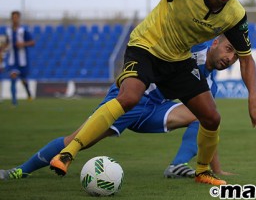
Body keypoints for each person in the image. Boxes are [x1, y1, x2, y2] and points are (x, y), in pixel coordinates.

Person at [49, 0, 256, 186]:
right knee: (129, 97)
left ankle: (202, 171)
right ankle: (69, 151)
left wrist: (253, 98)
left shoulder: (235, 15)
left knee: (211, 117)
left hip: (177, 59)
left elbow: (246, 59)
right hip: (146, 46)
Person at [1, 36, 237, 180]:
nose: (230, 58)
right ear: (215, 42)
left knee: (206, 117)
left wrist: (216, 169)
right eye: (228, 49)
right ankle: (20, 171)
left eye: (236, 56)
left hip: (154, 110)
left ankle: (177, 165)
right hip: (129, 98)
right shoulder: (193, 44)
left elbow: (210, 129)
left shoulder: (210, 86)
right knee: (77, 140)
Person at [3, 11, 35, 106]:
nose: (15, 19)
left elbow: (32, 42)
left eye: (17, 17)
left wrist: (23, 44)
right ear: (11, 18)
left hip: (22, 61)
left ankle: (28, 92)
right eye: (13, 17)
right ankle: (14, 102)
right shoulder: (8, 31)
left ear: (19, 18)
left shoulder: (23, 31)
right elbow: (6, 43)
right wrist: (4, 47)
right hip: (12, 60)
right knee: (13, 78)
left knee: (24, 80)